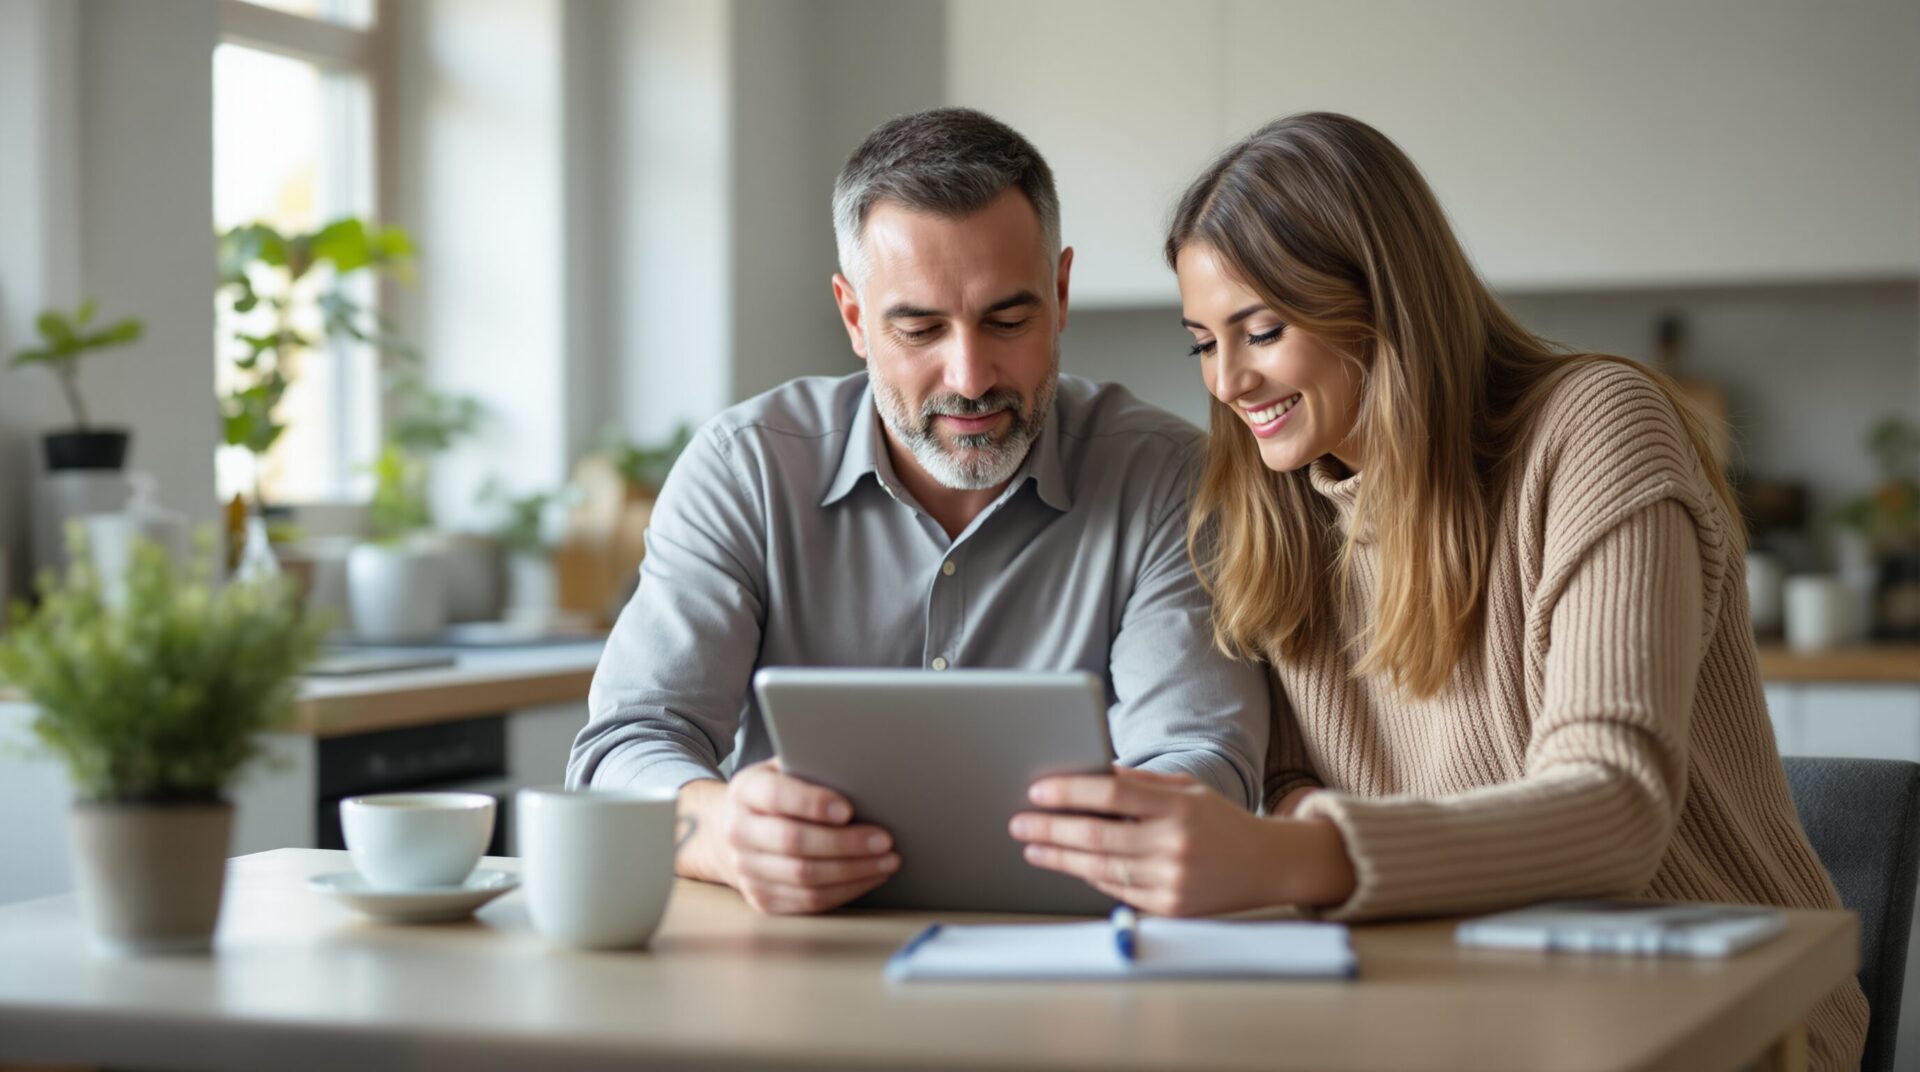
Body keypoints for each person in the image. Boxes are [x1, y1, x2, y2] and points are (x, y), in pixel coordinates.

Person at [1006, 112, 1867, 1069]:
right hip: (1461, 1015)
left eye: (1262, 330)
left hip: (1731, 1023)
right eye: (1202, 343)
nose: (1228, 381)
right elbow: (1291, 781)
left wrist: (1285, 855)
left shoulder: (1597, 431)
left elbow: (1614, 806)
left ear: (1382, 301)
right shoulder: (1278, 511)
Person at [567, 107, 1269, 917]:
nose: (969, 376)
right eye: (920, 328)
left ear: (1062, 291)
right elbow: (623, 747)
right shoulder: (745, 470)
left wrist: (1141, 825)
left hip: (1074, 961)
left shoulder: (1167, 477)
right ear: (855, 318)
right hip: (794, 966)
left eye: (1008, 320)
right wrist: (722, 831)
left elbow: (1202, 758)